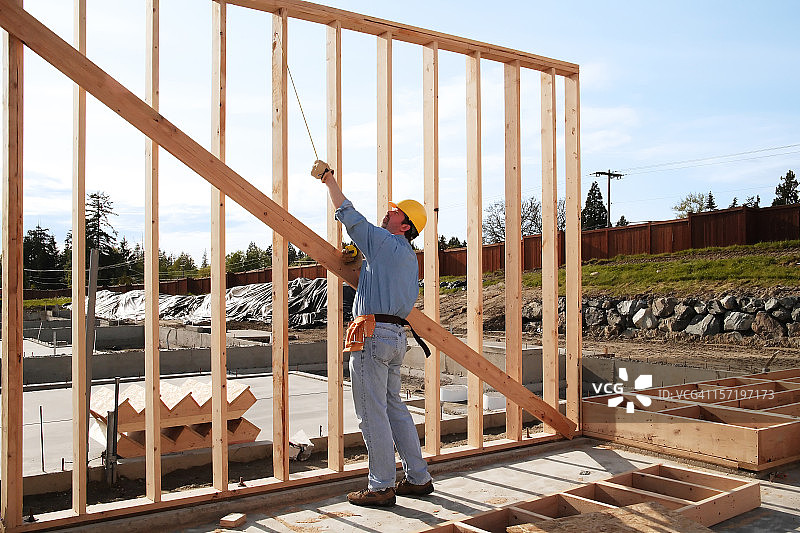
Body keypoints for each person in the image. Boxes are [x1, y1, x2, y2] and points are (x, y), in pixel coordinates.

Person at [318, 164, 433, 508]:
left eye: (394, 212)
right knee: (394, 408)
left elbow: (350, 216)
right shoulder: (406, 256)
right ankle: (418, 477)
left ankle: (381, 486)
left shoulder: (384, 243)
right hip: (396, 337)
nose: (388, 212)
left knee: (371, 413)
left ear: (405, 225)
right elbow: (378, 273)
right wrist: (362, 260)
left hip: (372, 336)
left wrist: (329, 180)